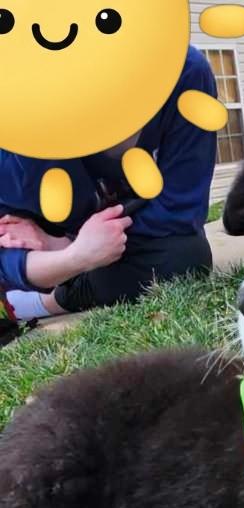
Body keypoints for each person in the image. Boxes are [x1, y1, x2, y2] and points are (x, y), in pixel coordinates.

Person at [0, 45, 218, 342]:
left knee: (185, 257)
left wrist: (68, 245)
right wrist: (73, 256)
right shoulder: (17, 136)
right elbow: (6, 242)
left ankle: (58, 298)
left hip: (129, 237)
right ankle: (42, 297)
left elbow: (180, 210)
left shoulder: (185, 72)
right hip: (59, 240)